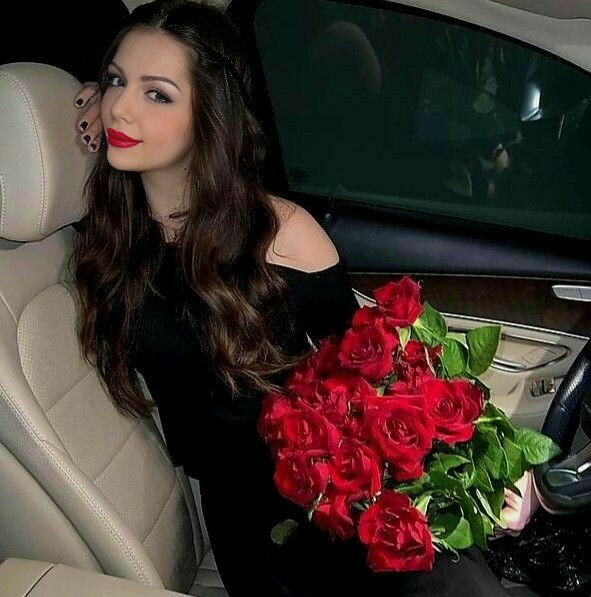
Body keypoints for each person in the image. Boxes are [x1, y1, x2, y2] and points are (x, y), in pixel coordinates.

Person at [69, 1, 534, 594]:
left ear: (211, 115)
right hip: (251, 516)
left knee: (449, 581)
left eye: (157, 93)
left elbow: (376, 369)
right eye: (116, 81)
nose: (121, 107)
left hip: (339, 481)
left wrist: (482, 458)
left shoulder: (279, 232)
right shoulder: (107, 239)